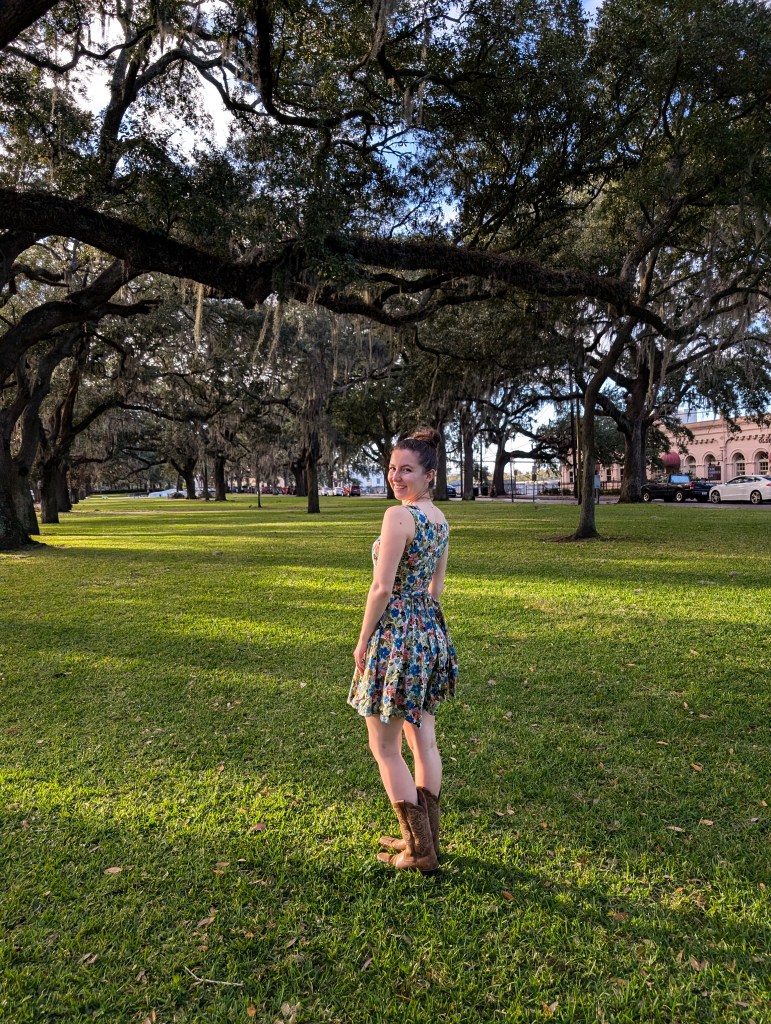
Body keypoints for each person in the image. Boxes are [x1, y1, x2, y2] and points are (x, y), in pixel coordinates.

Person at [348, 427, 458, 872]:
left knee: (385, 746)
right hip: (428, 632)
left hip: (396, 635)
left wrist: (362, 641)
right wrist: (426, 634)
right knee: (422, 738)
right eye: (392, 468)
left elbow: (381, 587)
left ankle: (419, 850)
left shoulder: (398, 516)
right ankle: (426, 836)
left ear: (429, 475)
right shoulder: (441, 520)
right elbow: (436, 588)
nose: (396, 477)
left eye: (406, 470)